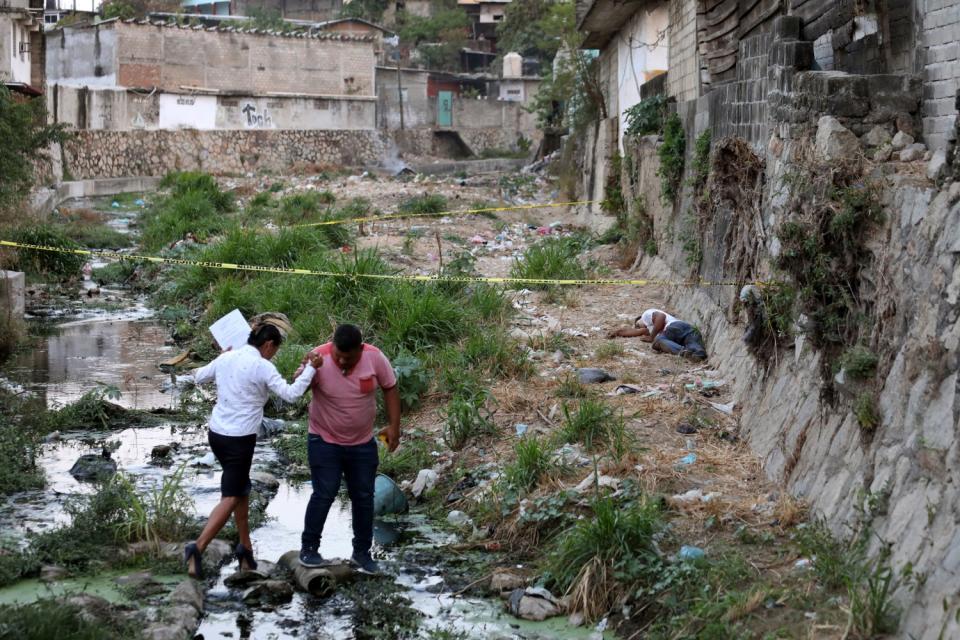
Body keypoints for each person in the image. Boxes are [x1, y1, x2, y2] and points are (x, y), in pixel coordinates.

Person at [183, 314, 322, 579]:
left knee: (240, 488)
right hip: (239, 439)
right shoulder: (262, 366)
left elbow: (198, 377)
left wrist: (221, 357)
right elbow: (292, 395)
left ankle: (245, 552)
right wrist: (312, 369)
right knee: (232, 496)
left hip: (217, 434)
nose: (273, 356)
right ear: (268, 345)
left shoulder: (227, 357)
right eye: (275, 351)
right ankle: (197, 547)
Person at [296, 323, 401, 575]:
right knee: (324, 493)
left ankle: (362, 554)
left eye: (349, 358)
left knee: (364, 497)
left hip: (362, 443)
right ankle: (309, 549)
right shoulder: (318, 357)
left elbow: (390, 387)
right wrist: (309, 368)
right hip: (324, 439)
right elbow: (297, 388)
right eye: (338, 355)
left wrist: (394, 426)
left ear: (360, 350)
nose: (342, 361)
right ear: (332, 347)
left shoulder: (374, 357)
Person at [608, 308, 707, 361]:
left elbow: (661, 316)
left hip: (673, 327)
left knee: (658, 341)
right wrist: (617, 332)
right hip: (688, 329)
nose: (638, 328)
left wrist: (652, 337)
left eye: (637, 325)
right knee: (695, 348)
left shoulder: (646, 315)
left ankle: (683, 352)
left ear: (640, 319)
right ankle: (697, 353)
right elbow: (635, 332)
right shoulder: (650, 327)